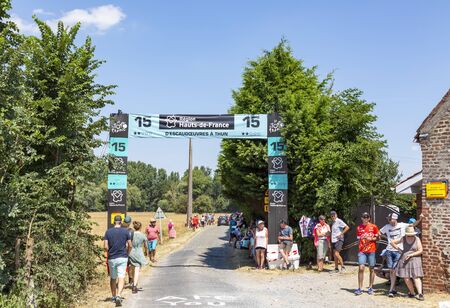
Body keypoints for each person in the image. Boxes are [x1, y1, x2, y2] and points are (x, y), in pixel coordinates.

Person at [380, 213, 424, 297]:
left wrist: (420, 219)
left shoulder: (404, 226)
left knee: (412, 276)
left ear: (395, 219)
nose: (388, 220)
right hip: (396, 253)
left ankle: (418, 293)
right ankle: (398, 290)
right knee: (398, 273)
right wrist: (398, 248)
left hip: (406, 256)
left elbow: (412, 225)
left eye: (390, 219)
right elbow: (381, 234)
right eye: (388, 219)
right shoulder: (388, 227)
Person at [104, 215, 132, 307]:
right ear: (121, 222)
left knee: (113, 278)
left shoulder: (108, 232)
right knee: (121, 276)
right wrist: (127, 253)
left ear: (113, 222)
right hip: (122, 257)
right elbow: (130, 245)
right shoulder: (126, 231)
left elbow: (105, 246)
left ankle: (113, 296)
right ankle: (119, 295)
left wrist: (109, 252)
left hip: (112, 257)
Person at [391, 226, 424, 301]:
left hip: (415, 259)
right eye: (408, 234)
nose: (410, 236)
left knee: (416, 277)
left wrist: (411, 254)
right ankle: (412, 293)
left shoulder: (417, 239)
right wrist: (398, 249)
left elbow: (421, 250)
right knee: (406, 277)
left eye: (411, 234)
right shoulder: (403, 238)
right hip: (405, 259)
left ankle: (420, 294)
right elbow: (392, 242)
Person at [355, 212, 380, 296]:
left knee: (371, 269)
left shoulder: (374, 227)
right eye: (364, 217)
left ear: (369, 218)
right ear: (361, 218)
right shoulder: (359, 227)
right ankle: (360, 288)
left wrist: (371, 238)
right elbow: (359, 239)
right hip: (362, 251)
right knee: (361, 268)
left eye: (367, 217)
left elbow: (378, 238)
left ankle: (370, 287)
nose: (365, 218)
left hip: (371, 250)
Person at [128, 221, 148, 294]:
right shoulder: (143, 235)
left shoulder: (130, 234)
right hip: (139, 252)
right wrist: (146, 252)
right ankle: (135, 285)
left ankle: (132, 281)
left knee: (132, 267)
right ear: (140, 227)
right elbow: (146, 245)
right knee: (137, 269)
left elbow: (127, 243)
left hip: (131, 252)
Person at [122, 215, 134, 285]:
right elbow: (132, 242)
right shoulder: (131, 231)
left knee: (123, 266)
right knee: (130, 265)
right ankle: (130, 279)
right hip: (129, 249)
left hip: (121, 249)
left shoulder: (120, 230)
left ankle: (122, 280)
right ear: (129, 223)